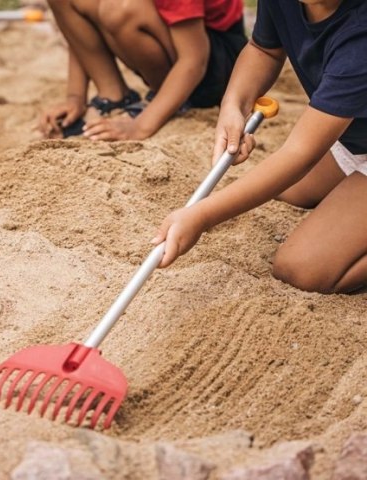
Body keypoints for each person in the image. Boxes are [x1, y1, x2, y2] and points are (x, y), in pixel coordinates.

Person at [152, 0, 367, 294]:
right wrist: (233, 105)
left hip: (349, 132)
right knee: (286, 189)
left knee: (301, 269)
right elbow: (263, 49)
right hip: (353, 136)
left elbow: (300, 153)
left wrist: (200, 216)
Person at [38, 0, 246, 141]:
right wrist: (75, 97)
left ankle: (170, 101)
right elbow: (81, 29)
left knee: (120, 9)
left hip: (217, 63)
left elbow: (194, 60)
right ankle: (113, 97)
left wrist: (140, 127)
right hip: (179, 43)